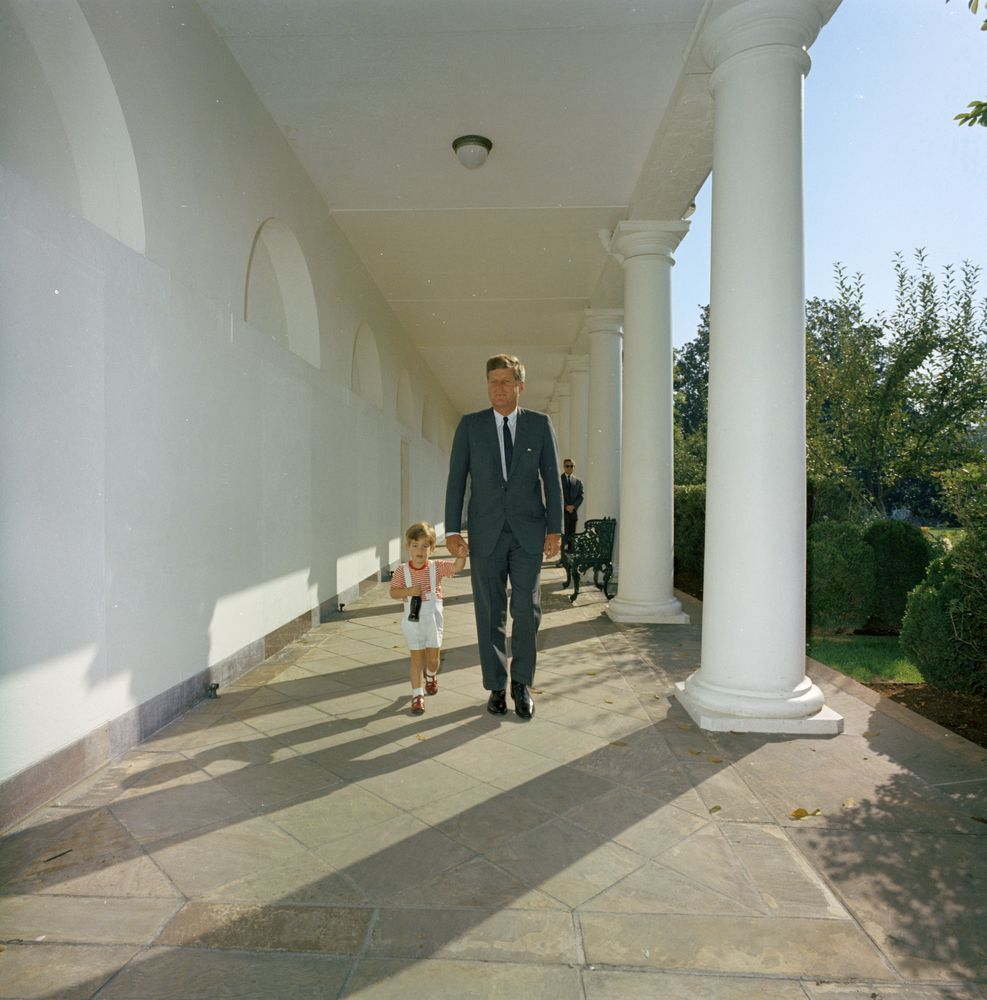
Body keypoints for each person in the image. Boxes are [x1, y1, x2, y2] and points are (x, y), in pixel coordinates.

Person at [444, 354, 563, 720]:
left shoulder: (539, 425)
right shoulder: (470, 426)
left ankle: (521, 683)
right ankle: (496, 686)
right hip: (487, 533)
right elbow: (456, 479)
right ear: (488, 385)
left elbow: (551, 479)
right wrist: (451, 529)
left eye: (506, 381)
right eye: (493, 381)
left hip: (528, 533)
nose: (499, 387)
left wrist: (555, 529)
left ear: (519, 386)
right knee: (490, 612)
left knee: (527, 612)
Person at [389, 522, 467, 715]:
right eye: (415, 545)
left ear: (432, 548)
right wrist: (407, 591)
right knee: (416, 659)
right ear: (408, 547)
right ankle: (417, 695)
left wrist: (461, 555)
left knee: (433, 659)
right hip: (412, 621)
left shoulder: (436, 568)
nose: (420, 550)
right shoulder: (401, 571)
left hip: (432, 620)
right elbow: (393, 592)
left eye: (425, 546)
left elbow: (456, 567)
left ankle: (431, 676)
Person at [560, 458, 584, 554]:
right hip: (562, 514)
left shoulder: (578, 481)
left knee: (571, 537)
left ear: (574, 467)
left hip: (573, 514)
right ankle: (562, 559)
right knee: (563, 537)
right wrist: (565, 506)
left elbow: (580, 496)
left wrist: (573, 506)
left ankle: (570, 558)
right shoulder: (559, 480)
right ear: (564, 467)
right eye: (567, 466)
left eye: (571, 466)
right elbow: (557, 495)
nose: (569, 468)